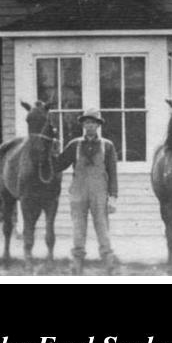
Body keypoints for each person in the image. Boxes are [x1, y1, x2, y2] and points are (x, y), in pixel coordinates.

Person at [53, 109, 119, 275]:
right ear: (83, 125)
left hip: (99, 192)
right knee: (78, 227)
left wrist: (113, 197)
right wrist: (50, 150)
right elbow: (58, 165)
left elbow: (113, 173)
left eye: (93, 122)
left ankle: (108, 261)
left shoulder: (107, 145)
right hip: (78, 192)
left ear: (98, 125)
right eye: (86, 122)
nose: (89, 125)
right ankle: (77, 262)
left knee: (102, 227)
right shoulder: (75, 144)